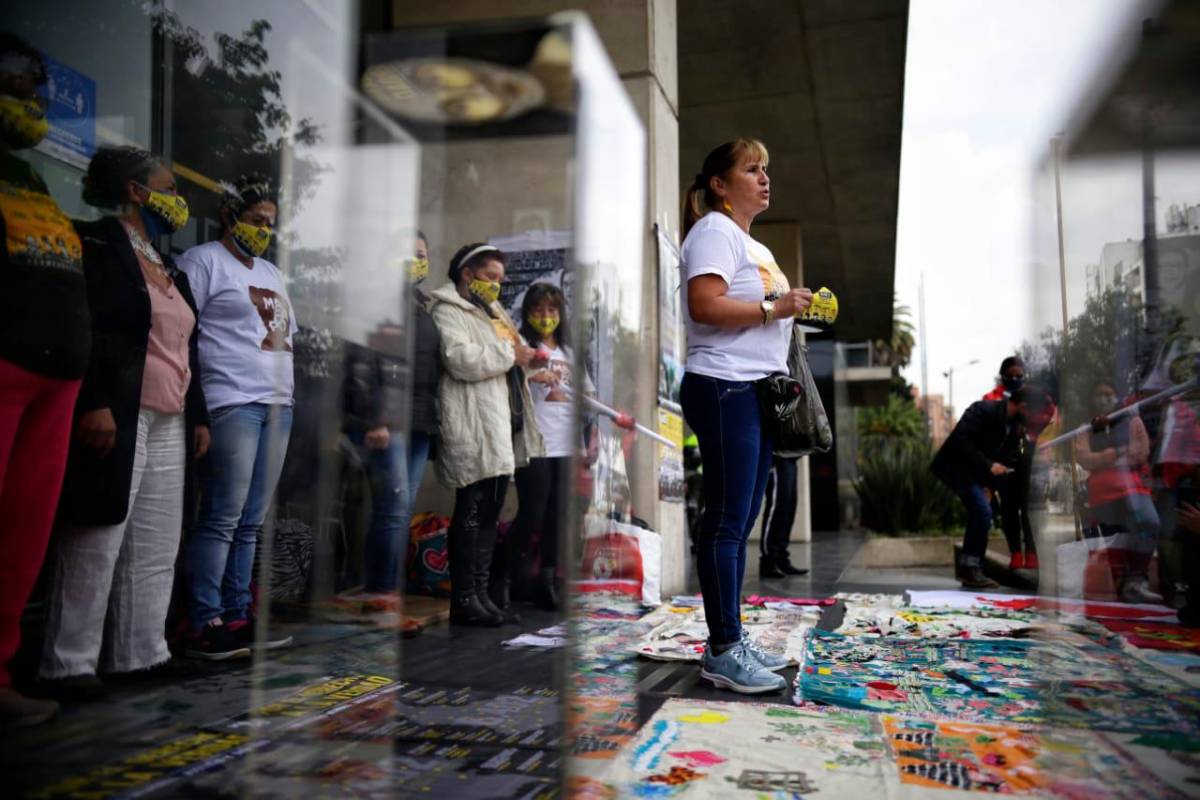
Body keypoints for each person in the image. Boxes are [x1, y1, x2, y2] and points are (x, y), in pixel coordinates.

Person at [38, 147, 209, 701]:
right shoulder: (94, 243)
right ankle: (69, 664)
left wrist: (199, 415)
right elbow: (86, 326)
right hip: (118, 409)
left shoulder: (166, 262)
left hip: (169, 416)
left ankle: (141, 654)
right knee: (97, 533)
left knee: (156, 542)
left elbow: (187, 346)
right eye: (170, 188)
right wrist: (93, 400)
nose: (178, 201)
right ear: (137, 191)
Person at [680, 138, 813, 694]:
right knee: (727, 520)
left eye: (767, 169)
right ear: (719, 184)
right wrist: (774, 307)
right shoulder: (713, 230)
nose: (764, 178)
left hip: (752, 388)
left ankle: (729, 639)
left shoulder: (749, 243)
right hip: (723, 385)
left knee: (741, 520)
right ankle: (723, 648)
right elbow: (704, 305)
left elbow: (756, 311)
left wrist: (796, 309)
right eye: (751, 169)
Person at [0, 34, 91, 727]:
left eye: (34, 91)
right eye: (17, 87)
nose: (30, 103)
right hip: (7, 370)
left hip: (54, 381)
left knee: (23, 536)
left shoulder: (29, 181)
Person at [179, 175, 297, 659]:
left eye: (269, 223)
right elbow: (183, 334)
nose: (262, 230)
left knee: (251, 521)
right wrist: (198, 410)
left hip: (278, 404)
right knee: (222, 516)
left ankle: (237, 615)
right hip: (232, 399)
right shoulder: (203, 261)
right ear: (229, 216)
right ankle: (204, 620)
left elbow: (286, 335)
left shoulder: (272, 272)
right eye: (254, 220)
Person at [429, 243, 544, 627]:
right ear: (467, 273)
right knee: (473, 510)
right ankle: (464, 599)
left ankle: (481, 594)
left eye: (500, 279)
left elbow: (509, 356)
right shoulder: (447, 310)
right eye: (490, 277)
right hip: (473, 422)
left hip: (499, 424)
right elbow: (459, 359)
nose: (497, 286)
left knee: (491, 513)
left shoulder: (492, 312)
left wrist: (529, 362)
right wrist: (511, 354)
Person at [332, 233, 440, 634]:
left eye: (421, 255)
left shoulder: (420, 305)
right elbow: (361, 361)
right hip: (387, 422)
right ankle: (381, 600)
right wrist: (373, 417)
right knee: (393, 512)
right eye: (407, 254)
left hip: (419, 422)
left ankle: (379, 597)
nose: (415, 261)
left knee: (397, 513)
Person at [507, 284, 584, 611]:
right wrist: (531, 374)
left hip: (566, 444)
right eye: (538, 311)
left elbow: (585, 395)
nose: (546, 317)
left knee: (558, 517)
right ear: (527, 314)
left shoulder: (570, 352)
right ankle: (504, 576)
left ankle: (548, 581)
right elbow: (507, 378)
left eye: (552, 311)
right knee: (531, 514)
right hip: (537, 443)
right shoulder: (522, 346)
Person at [932, 387, 1035, 589]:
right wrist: (989, 466)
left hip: (979, 475)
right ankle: (970, 568)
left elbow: (1004, 457)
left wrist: (991, 484)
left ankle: (972, 568)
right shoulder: (983, 410)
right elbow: (962, 439)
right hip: (958, 468)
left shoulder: (1015, 426)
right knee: (981, 511)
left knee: (983, 514)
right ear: (1022, 405)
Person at [1075, 381, 1162, 604]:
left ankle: (1136, 578)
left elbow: (1140, 453)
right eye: (1099, 394)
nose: (1104, 398)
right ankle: (1124, 592)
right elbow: (1084, 459)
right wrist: (1117, 452)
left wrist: (1102, 458)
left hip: (1133, 488)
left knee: (1150, 524)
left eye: (1108, 394)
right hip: (1102, 493)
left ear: (1117, 396)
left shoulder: (1131, 421)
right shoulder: (1085, 428)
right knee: (1116, 540)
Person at [982, 357, 1056, 570]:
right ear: (1002, 376)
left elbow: (1050, 414)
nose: (1014, 379)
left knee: (1029, 507)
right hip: (1003, 459)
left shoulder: (1035, 395)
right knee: (1008, 508)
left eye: (1019, 376)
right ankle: (1015, 552)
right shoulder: (992, 397)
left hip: (1032, 459)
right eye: (1010, 376)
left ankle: (1032, 553)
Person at [758, 455, 809, 578]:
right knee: (777, 505)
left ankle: (781, 558)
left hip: (790, 454)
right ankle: (768, 560)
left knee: (789, 505)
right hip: (776, 456)